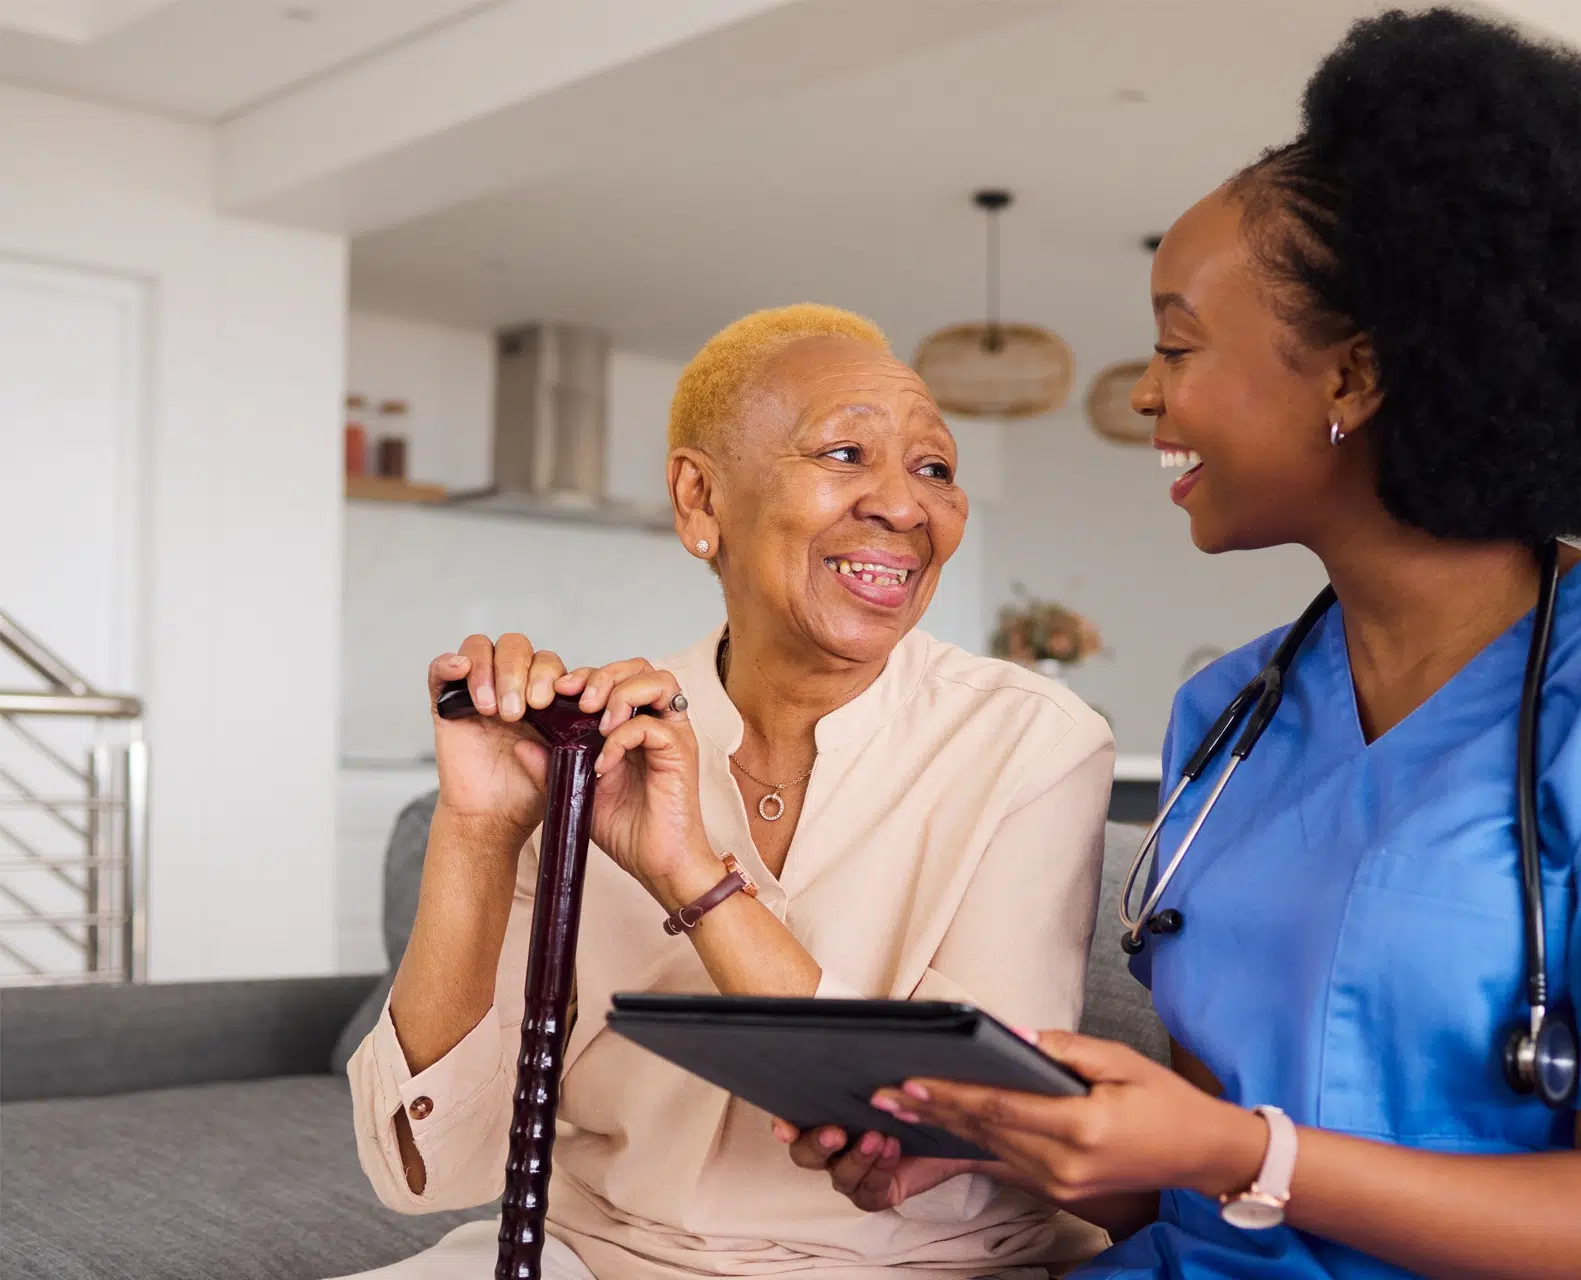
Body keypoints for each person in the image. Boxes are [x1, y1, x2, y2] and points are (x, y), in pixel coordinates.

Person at [787, 11, 1581, 1279]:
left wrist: (1238, 1149)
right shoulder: (1231, 714)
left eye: (1178, 345)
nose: (1145, 394)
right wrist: (1004, 1142)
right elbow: (1200, 1165)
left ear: (1354, 377)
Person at [342, 304, 1115, 1279]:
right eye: (844, 452)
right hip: (594, 1250)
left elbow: (964, 1112)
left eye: (934, 468)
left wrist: (692, 874)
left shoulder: (1033, 740)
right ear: (701, 499)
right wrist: (479, 826)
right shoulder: (595, 736)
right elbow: (427, 1165)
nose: (906, 506)